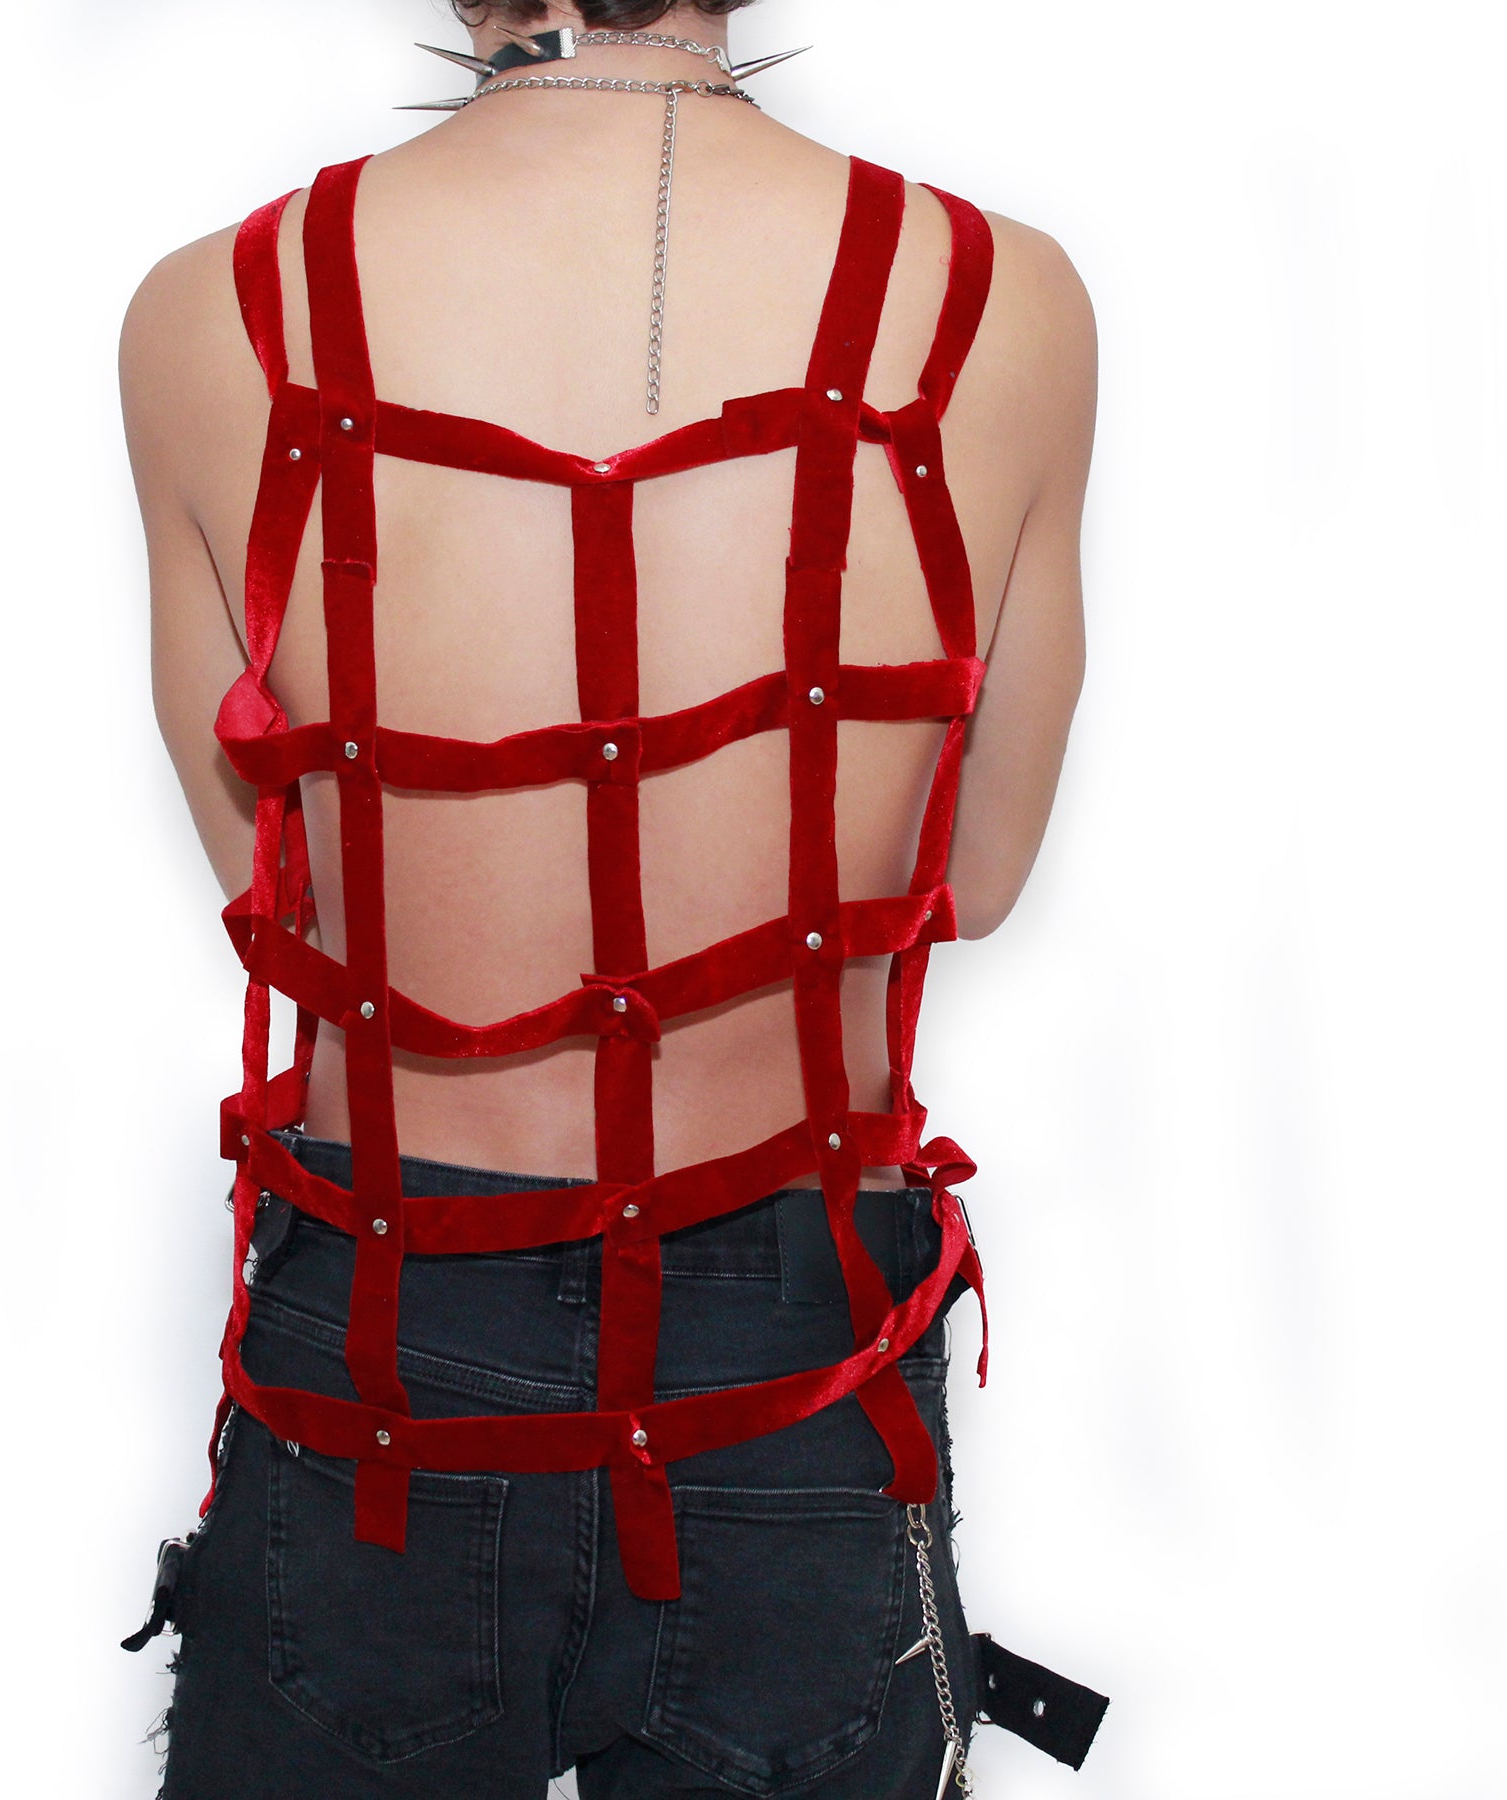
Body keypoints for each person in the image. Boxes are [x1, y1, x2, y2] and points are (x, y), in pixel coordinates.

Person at [117, 1, 1099, 1794]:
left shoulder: (222, 310)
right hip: (793, 1340)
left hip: (389, 1338)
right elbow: (976, 873)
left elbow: (280, 878)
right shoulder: (993, 298)